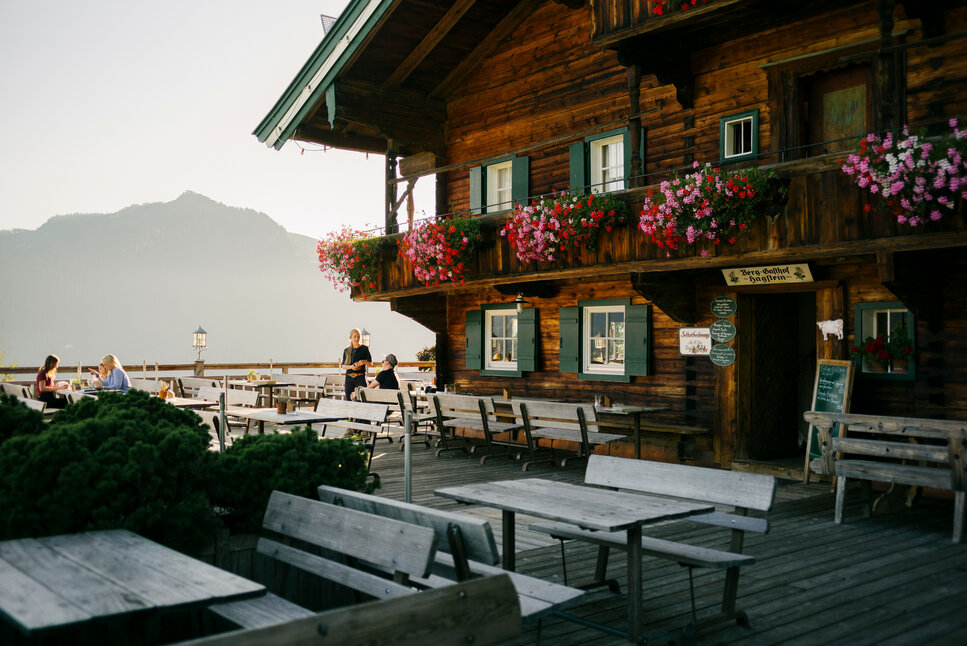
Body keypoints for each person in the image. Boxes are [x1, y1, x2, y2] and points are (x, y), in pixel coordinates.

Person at [339, 328, 371, 400]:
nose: (357, 338)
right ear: (350, 338)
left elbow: (371, 364)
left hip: (360, 378)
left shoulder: (364, 349)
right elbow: (343, 366)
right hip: (349, 378)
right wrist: (351, 367)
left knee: (360, 399)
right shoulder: (346, 350)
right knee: (348, 400)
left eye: (358, 336)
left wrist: (363, 362)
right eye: (355, 336)